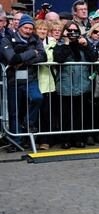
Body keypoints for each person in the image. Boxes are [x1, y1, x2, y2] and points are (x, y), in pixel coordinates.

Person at [1, 14, 45, 145]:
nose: (28, 31)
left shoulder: (35, 38)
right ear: (19, 27)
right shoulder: (7, 40)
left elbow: (43, 57)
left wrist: (23, 61)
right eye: (25, 28)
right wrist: (32, 53)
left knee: (37, 98)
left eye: (30, 28)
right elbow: (12, 59)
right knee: (14, 112)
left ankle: (28, 123)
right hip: (13, 80)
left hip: (30, 78)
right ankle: (17, 141)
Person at [54, 20, 99, 149]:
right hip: (66, 85)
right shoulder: (61, 44)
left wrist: (87, 46)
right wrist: (67, 43)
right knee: (66, 114)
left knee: (80, 113)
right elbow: (59, 59)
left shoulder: (83, 44)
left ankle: (79, 138)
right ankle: (66, 139)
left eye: (75, 31)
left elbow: (94, 58)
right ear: (65, 32)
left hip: (82, 84)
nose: (72, 33)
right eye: (70, 31)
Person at [34, 20, 56, 150]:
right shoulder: (31, 42)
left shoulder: (51, 42)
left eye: (44, 29)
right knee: (34, 112)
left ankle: (45, 139)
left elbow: (49, 58)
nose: (42, 31)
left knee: (46, 113)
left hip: (47, 83)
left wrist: (36, 55)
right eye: (39, 29)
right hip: (32, 81)